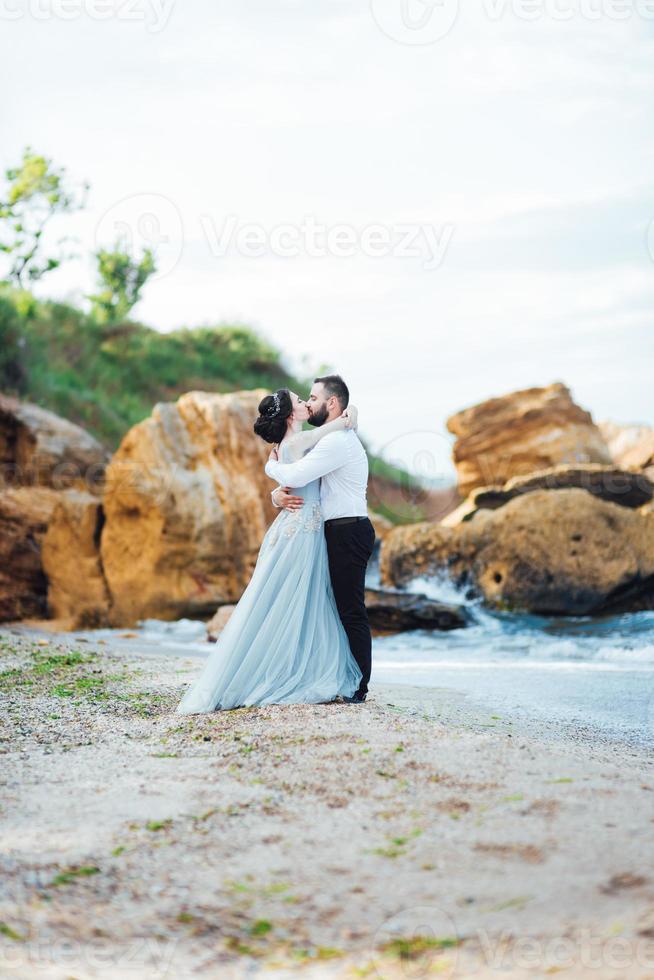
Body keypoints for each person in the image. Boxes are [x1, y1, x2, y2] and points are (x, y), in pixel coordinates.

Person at [176, 387, 362, 713]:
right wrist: (346, 421)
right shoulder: (294, 443)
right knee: (293, 601)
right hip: (302, 531)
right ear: (292, 414)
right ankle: (289, 671)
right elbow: (315, 445)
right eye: (300, 402)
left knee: (295, 602)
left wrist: (273, 487)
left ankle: (292, 666)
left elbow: (316, 446)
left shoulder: (293, 444)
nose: (306, 403)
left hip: (302, 527)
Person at [266, 375, 375, 703]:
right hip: (337, 530)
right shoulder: (330, 437)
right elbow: (301, 473)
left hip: (349, 530)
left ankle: (359, 686)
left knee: (350, 610)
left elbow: (297, 475)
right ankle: (339, 675)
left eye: (313, 398)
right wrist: (276, 495)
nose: (309, 403)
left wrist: (270, 469)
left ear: (332, 403)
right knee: (335, 607)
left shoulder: (337, 442)